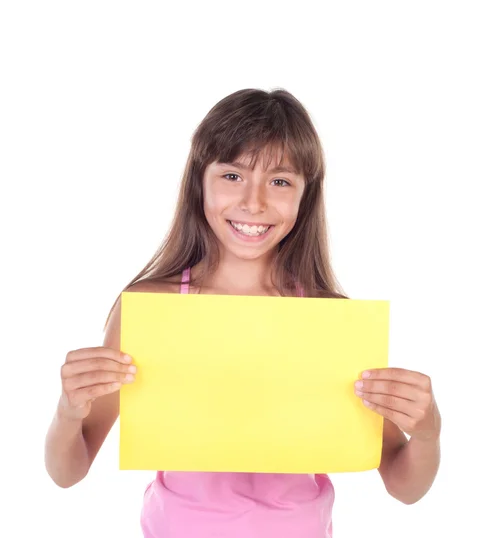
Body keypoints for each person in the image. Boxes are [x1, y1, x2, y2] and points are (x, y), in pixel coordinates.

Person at [45, 88, 441, 537]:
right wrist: (68, 411)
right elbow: (68, 472)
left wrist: (427, 432)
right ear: (200, 181)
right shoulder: (152, 308)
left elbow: (405, 486)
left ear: (305, 196)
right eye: (232, 176)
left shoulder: (330, 321)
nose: (254, 203)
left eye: (280, 181)